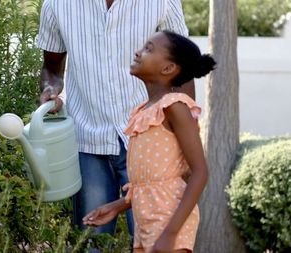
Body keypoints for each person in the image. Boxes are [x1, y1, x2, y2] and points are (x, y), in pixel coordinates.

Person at [37, 0, 194, 238]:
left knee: (151, 237)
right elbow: (52, 67)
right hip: (87, 141)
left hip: (150, 144)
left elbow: (183, 70)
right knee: (92, 241)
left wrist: (185, 137)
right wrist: (50, 90)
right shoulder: (57, 5)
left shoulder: (162, 2)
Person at [83, 31, 215, 253]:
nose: (138, 52)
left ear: (168, 68)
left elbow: (199, 172)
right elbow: (151, 178)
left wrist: (170, 234)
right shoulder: (143, 111)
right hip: (147, 217)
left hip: (168, 219)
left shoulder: (174, 106)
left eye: (149, 49)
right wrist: (118, 206)